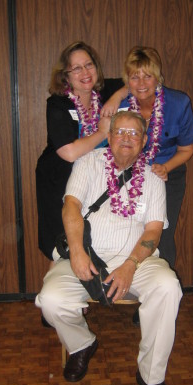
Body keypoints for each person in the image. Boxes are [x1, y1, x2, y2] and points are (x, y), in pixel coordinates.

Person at [35, 111, 183, 385]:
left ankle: (151, 376)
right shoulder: (87, 162)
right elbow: (71, 206)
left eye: (134, 134)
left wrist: (130, 265)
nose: (126, 138)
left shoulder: (153, 176)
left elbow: (154, 229)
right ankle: (82, 344)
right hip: (86, 254)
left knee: (169, 287)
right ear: (109, 134)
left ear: (143, 141)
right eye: (120, 131)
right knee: (50, 300)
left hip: (136, 261)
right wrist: (76, 250)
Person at [118, 46, 193, 325]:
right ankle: (134, 288)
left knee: (162, 234)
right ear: (127, 79)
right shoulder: (120, 104)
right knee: (133, 232)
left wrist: (166, 167)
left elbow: (187, 149)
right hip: (130, 176)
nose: (141, 84)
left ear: (158, 77)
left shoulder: (179, 103)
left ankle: (162, 300)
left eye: (148, 76)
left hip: (168, 175)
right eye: (134, 77)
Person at [36, 41, 124, 261]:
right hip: (60, 179)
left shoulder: (105, 92)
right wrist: (103, 133)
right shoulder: (58, 104)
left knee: (97, 236)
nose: (85, 72)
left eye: (89, 65)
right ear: (65, 75)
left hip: (97, 179)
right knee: (65, 242)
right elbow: (69, 152)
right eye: (76, 68)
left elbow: (134, 82)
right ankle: (62, 286)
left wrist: (117, 97)